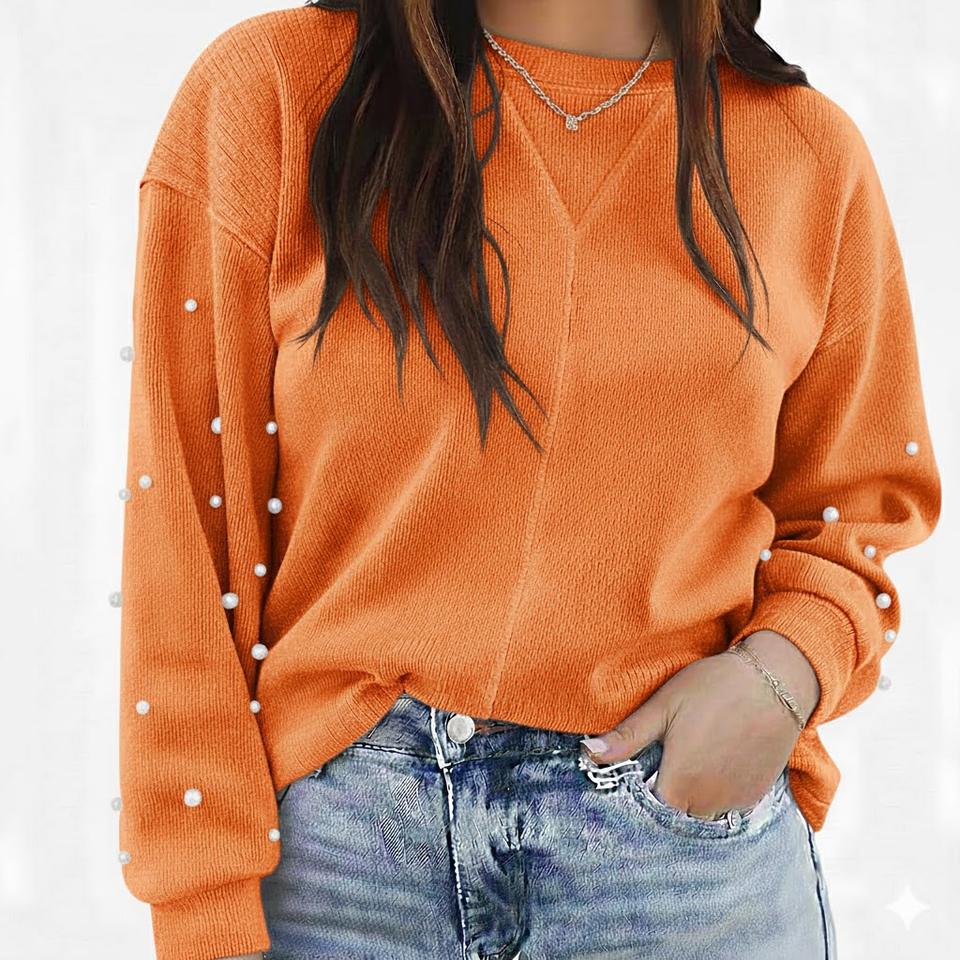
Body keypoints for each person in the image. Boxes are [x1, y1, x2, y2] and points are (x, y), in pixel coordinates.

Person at [114, 1, 942, 958]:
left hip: (679, 861)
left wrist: (779, 675)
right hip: (337, 874)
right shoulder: (274, 94)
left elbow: (859, 504)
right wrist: (201, 907)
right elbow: (188, 529)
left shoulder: (806, 155)